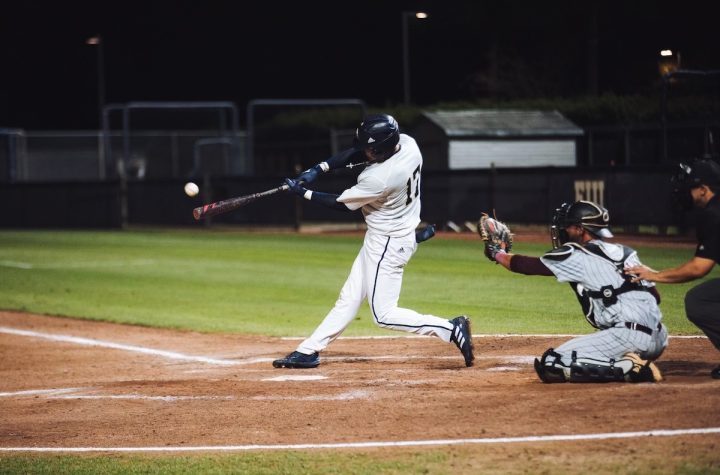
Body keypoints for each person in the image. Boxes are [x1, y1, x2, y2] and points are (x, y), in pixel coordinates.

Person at [272, 113, 474, 369]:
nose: (364, 152)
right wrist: (318, 169)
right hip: (387, 235)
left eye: (370, 149)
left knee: (383, 314)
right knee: (349, 298)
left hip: (389, 244)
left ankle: (449, 328)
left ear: (382, 149)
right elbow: (356, 154)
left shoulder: (382, 178)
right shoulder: (408, 144)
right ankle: (309, 350)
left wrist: (304, 192)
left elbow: (342, 205)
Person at [484, 200, 667, 383]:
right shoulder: (626, 253)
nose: (564, 230)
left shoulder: (575, 253)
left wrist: (497, 252)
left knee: (552, 363)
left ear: (581, 230)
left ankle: (629, 368)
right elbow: (655, 297)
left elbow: (526, 265)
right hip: (659, 338)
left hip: (628, 337)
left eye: (568, 226)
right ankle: (626, 357)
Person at [627, 158, 720, 379]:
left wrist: (654, 275)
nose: (682, 192)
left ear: (703, 189)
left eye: (688, 187)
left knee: (700, 301)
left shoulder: (714, 214)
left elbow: (699, 267)